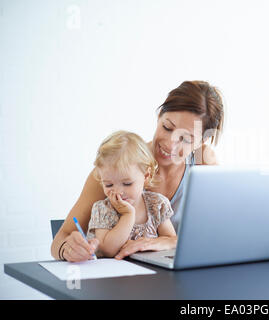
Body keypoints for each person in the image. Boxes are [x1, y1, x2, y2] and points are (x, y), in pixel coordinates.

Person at [51, 80, 225, 262]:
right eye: (167, 128)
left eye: (186, 139)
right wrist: (67, 249)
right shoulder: (116, 167)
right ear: (159, 116)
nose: (170, 144)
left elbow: (220, 236)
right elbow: (59, 240)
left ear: (202, 141)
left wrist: (168, 242)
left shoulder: (203, 163)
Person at [83, 130, 176, 259]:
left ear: (146, 176)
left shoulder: (157, 205)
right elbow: (108, 250)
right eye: (108, 185)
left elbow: (171, 240)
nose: (118, 192)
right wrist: (128, 215)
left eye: (127, 184)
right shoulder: (103, 209)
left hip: (151, 270)